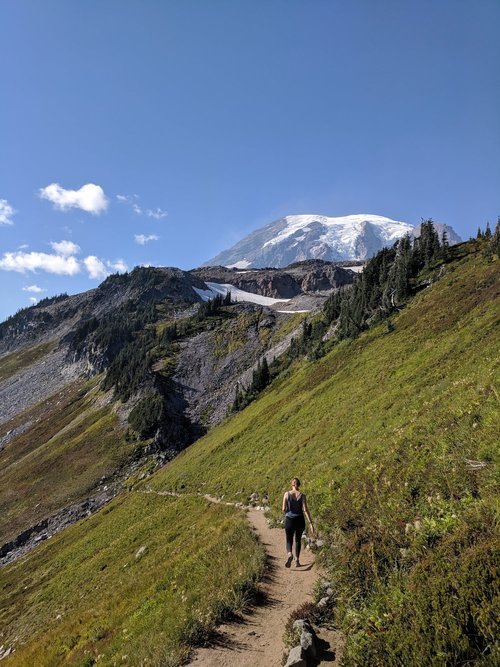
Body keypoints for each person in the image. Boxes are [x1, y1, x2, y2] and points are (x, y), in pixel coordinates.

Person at [282, 477, 314, 567]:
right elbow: (305, 510)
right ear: (299, 484)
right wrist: (311, 523)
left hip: (289, 519)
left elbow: (283, 509)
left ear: (292, 484)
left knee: (289, 539)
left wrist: (287, 513)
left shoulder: (286, 494)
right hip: (300, 519)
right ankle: (297, 560)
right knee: (298, 540)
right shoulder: (302, 496)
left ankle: (289, 554)